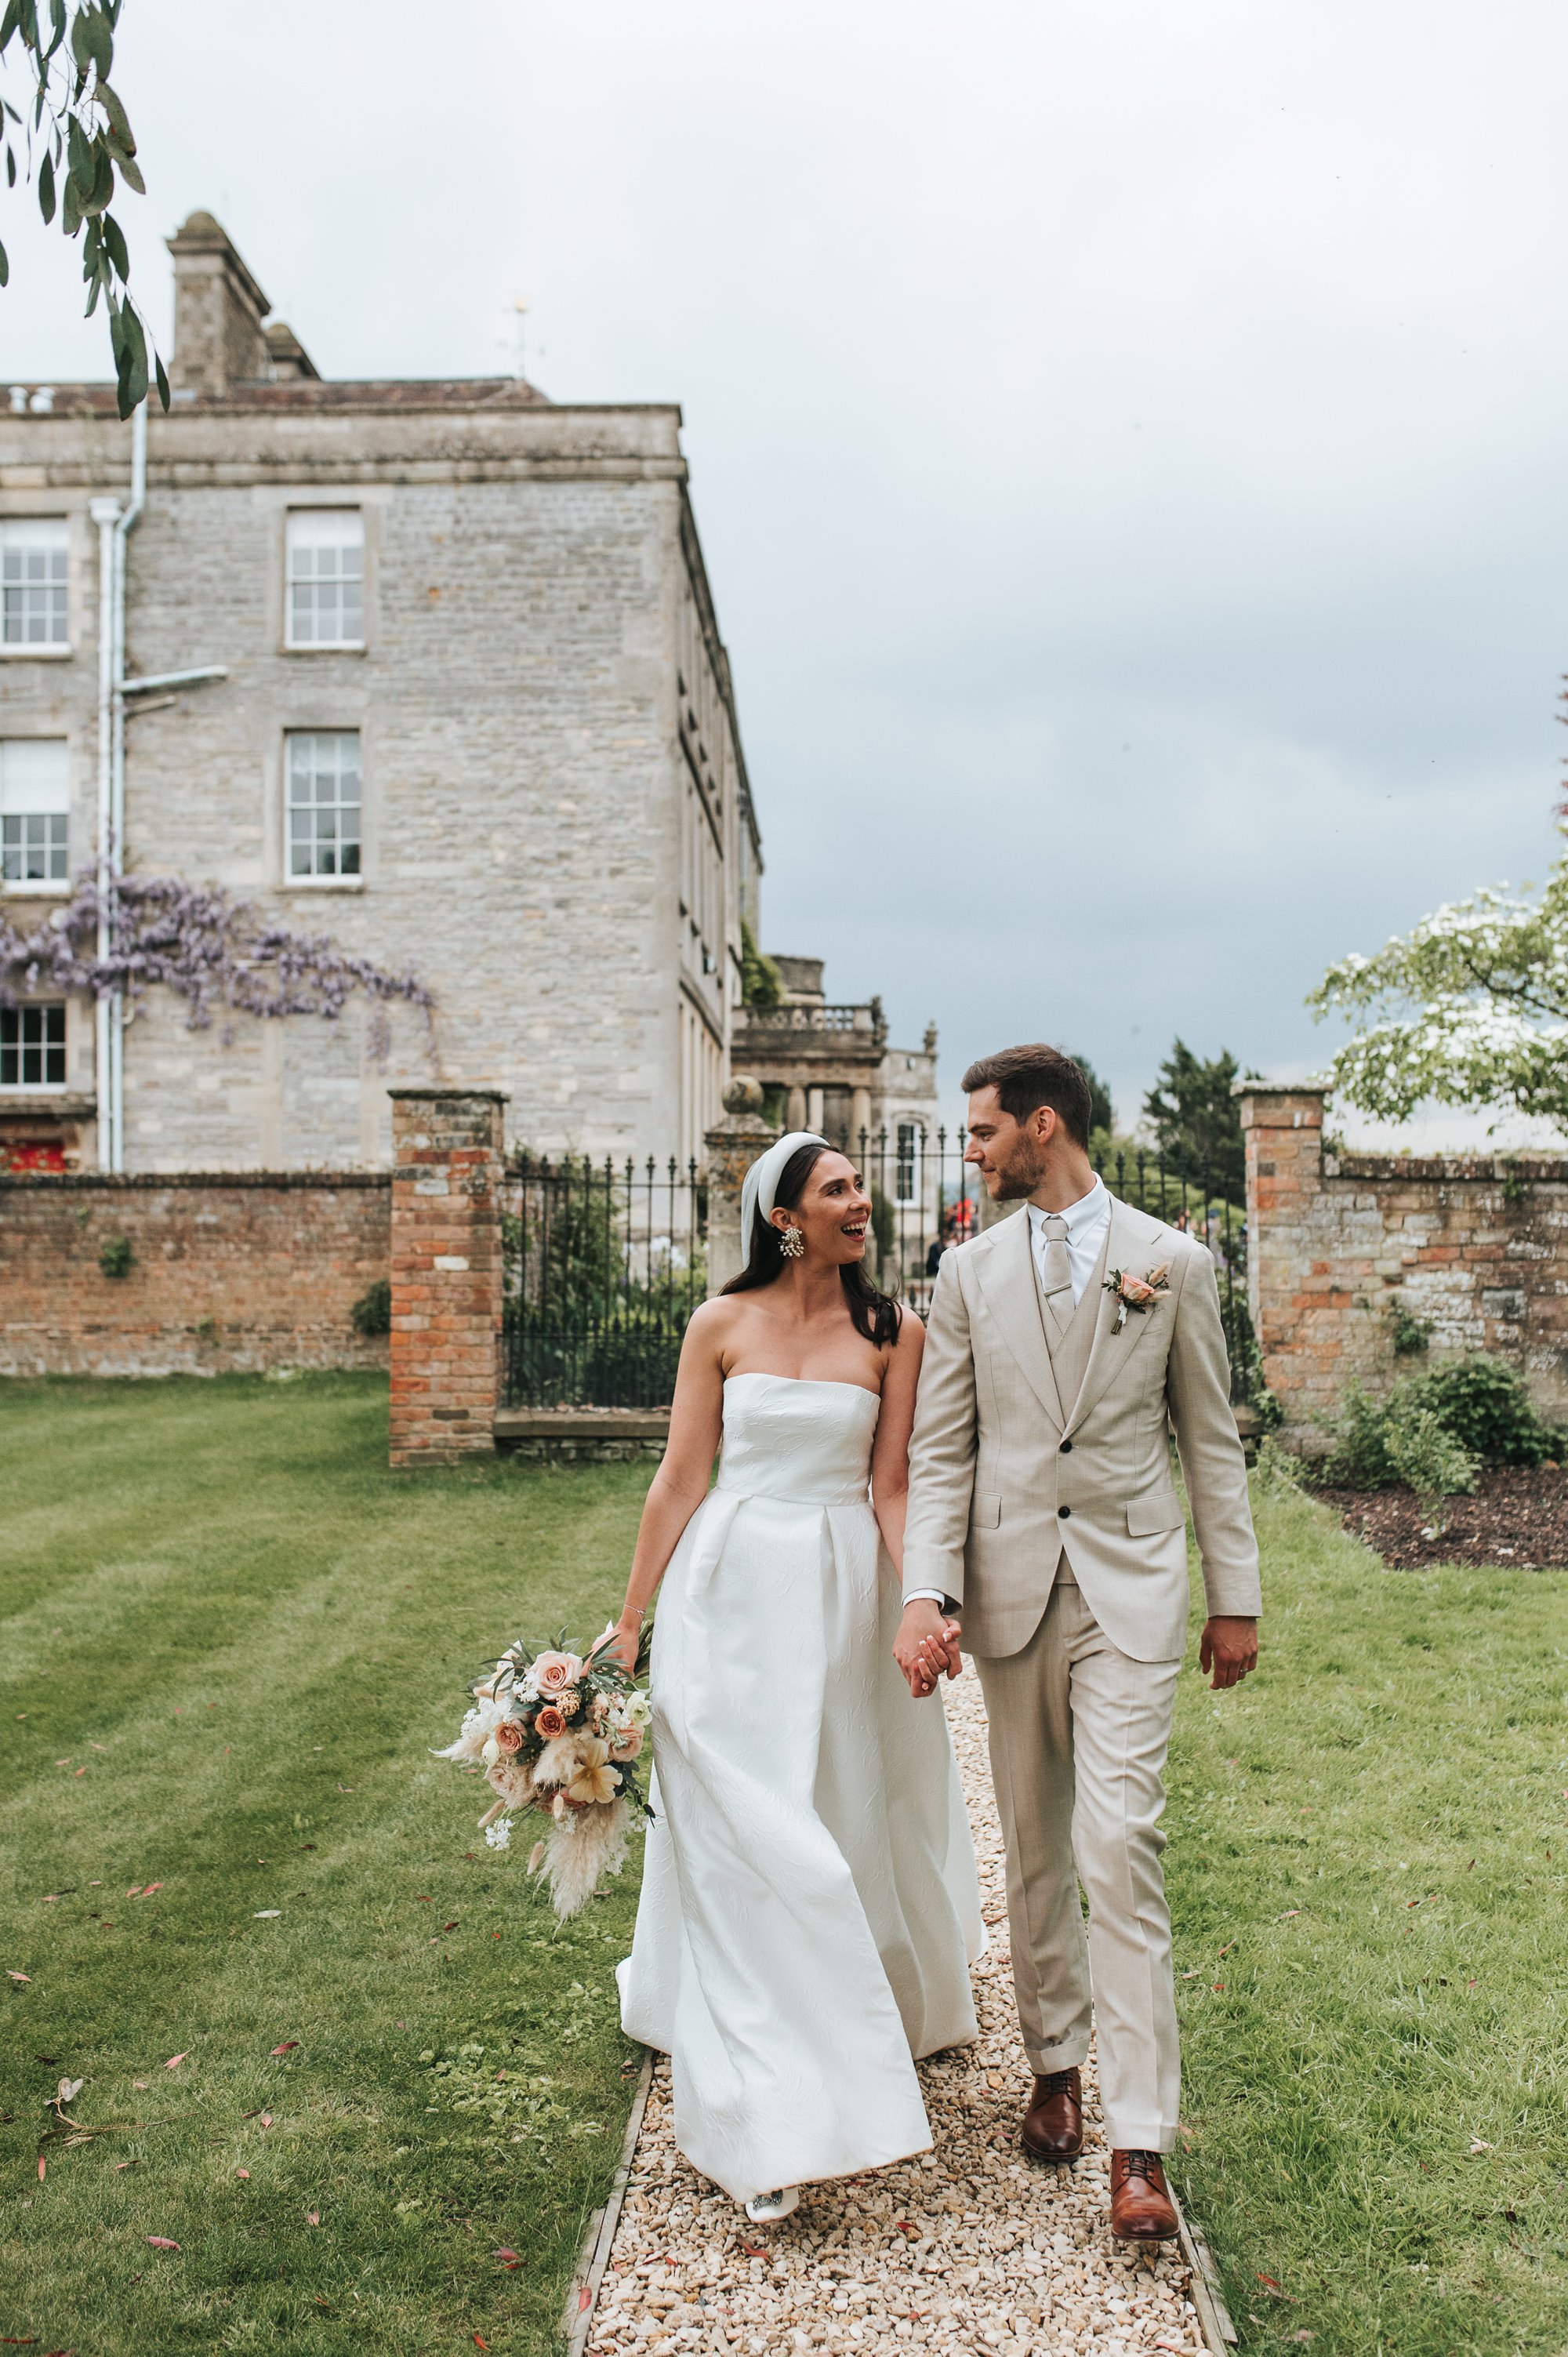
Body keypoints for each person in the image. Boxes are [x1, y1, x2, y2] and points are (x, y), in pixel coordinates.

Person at [895, 1046, 1261, 2243]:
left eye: (984, 1130)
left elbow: (1210, 1440)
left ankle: (1138, 2141)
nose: (974, 1150)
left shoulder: (1172, 1260)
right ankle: (1055, 2065)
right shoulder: (967, 1271)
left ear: (1042, 1127)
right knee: (1037, 1841)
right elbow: (943, 1448)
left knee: (1120, 1838)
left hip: (1132, 1589)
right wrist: (928, 1590)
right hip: (1008, 1589)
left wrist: (1233, 1594)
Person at [607, 1131, 983, 2224]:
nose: (861, 1200)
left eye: (861, 1184)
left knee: (844, 1806)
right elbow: (681, 1477)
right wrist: (631, 1623)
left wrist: (925, 1596)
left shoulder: (891, 1329)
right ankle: (760, 2109)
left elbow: (894, 1483)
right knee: (740, 1826)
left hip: (841, 1596)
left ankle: (850, 2006)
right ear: (784, 1217)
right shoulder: (718, 1325)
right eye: (837, 1188)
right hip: (727, 1592)